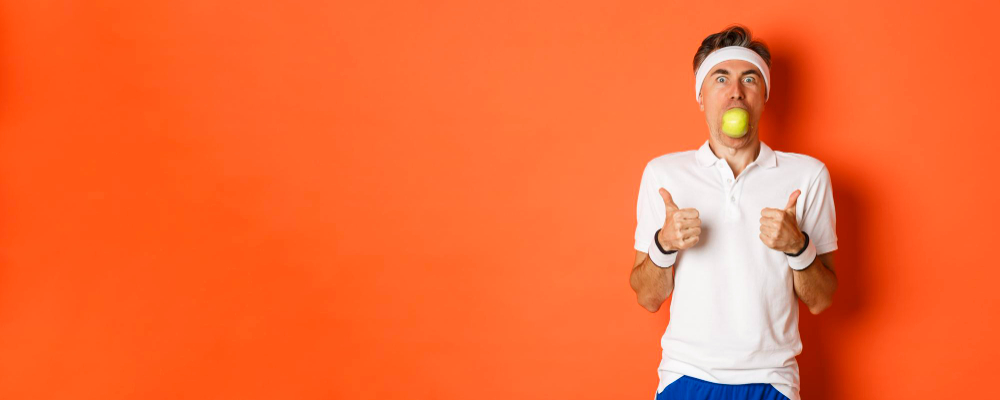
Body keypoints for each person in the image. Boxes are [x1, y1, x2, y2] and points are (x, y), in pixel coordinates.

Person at [628, 25, 839, 400]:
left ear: (764, 95)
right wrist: (664, 244)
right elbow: (647, 298)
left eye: (750, 79)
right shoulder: (663, 175)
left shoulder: (807, 176)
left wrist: (798, 248)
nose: (736, 92)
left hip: (772, 381)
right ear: (701, 96)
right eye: (720, 78)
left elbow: (822, 300)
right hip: (685, 376)